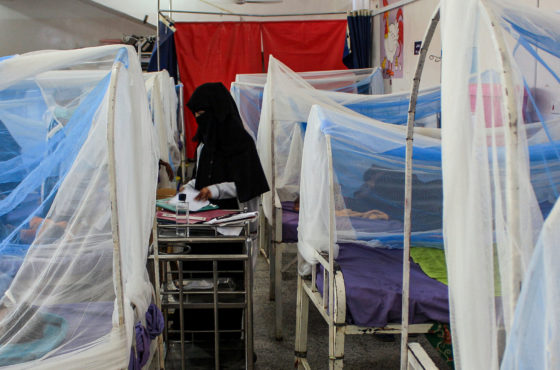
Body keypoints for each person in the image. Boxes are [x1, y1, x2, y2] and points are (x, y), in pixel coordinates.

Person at [184, 82, 269, 210]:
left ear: (217, 112)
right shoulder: (205, 145)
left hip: (235, 222)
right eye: (195, 114)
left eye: (201, 114)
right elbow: (203, 179)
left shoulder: (242, 143)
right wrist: (188, 187)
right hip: (204, 220)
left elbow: (249, 184)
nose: (198, 119)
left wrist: (215, 190)